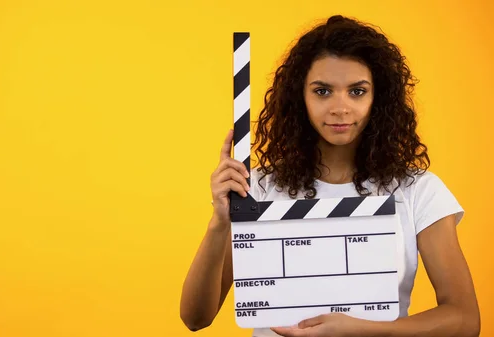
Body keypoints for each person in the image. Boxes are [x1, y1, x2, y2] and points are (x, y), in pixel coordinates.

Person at [179, 15, 481, 337]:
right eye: (322, 91)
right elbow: (196, 317)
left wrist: (364, 330)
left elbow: (464, 320)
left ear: (378, 98)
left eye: (357, 91)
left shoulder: (418, 190)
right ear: (300, 99)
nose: (340, 107)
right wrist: (219, 221)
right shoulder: (258, 189)